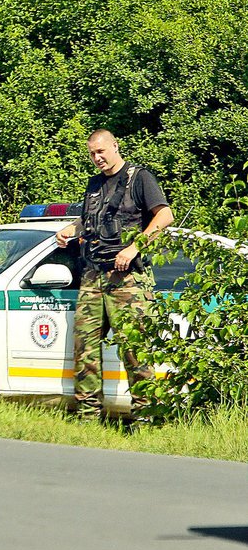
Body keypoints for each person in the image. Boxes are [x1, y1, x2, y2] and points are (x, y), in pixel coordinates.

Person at [55, 129, 174, 419]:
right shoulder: (94, 184)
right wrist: (72, 229)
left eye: (101, 152)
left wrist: (135, 247)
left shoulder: (139, 177)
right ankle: (87, 417)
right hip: (93, 276)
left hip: (127, 280)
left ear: (115, 146)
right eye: (92, 154)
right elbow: (88, 220)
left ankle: (146, 417)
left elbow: (165, 215)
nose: (97, 158)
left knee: (135, 351)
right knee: (85, 351)